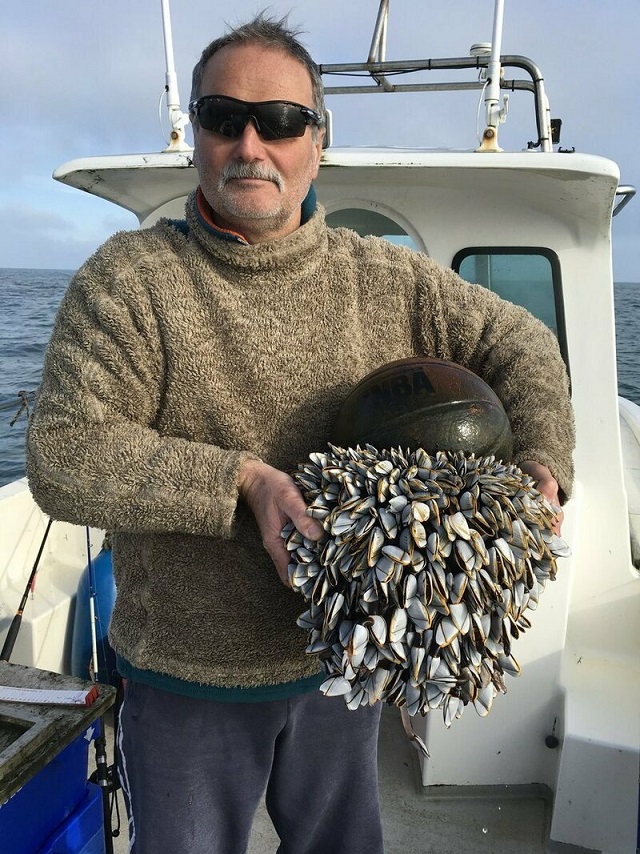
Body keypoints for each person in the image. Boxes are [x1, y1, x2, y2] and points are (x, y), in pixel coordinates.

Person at [25, 13, 574, 854]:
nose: (252, 143)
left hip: (339, 665)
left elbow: (522, 343)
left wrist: (542, 455)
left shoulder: (384, 277)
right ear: (196, 141)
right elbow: (64, 455)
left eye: (280, 121)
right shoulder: (130, 281)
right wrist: (245, 481)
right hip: (184, 673)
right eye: (222, 118)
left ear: (317, 141)